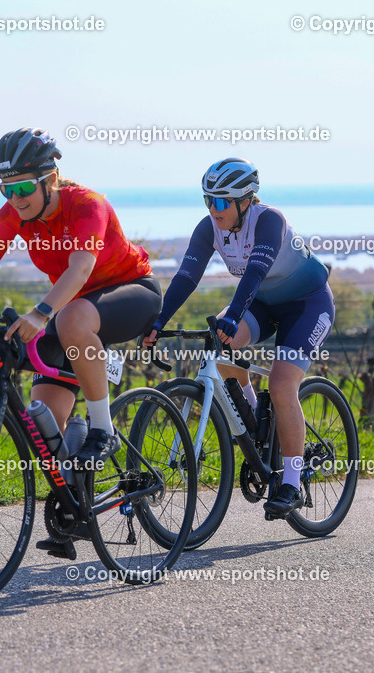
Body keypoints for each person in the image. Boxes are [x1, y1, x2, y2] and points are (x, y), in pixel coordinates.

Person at [0, 127, 160, 464]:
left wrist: (41, 313)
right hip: (70, 304)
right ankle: (75, 493)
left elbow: (80, 269)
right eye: (6, 190)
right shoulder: (16, 213)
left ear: (51, 179)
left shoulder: (88, 205)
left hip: (130, 291)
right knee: (41, 425)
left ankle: (104, 430)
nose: (15, 199)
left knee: (71, 319)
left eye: (23, 187)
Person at [143, 158, 334, 519]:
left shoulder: (269, 220)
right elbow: (187, 277)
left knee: (280, 385)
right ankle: (254, 425)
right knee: (221, 343)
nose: (213, 210)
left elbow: (257, 271)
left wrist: (232, 314)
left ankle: (291, 483)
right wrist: (158, 321)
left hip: (306, 304)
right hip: (263, 302)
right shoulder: (208, 229)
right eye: (207, 201)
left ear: (246, 201)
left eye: (220, 202)